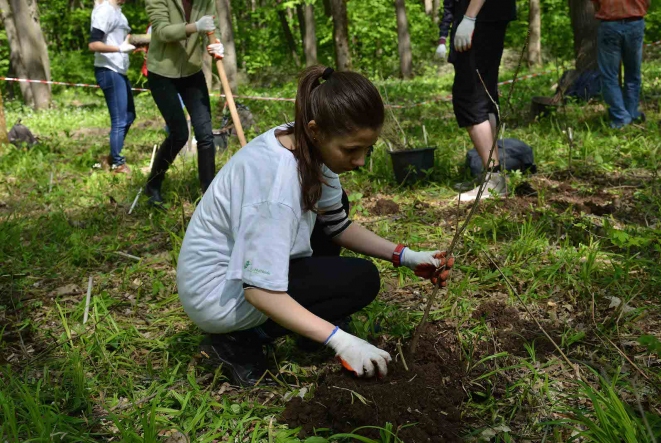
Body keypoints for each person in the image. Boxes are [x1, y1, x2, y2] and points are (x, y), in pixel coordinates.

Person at [176, 66, 455, 386]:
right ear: (315, 130)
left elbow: (336, 225)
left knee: (337, 207)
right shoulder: (277, 188)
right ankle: (238, 341)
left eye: (367, 148)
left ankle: (310, 326)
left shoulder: (305, 144)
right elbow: (259, 291)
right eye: (352, 150)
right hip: (219, 297)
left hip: (239, 276)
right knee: (360, 280)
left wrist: (407, 256)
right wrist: (341, 341)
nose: (361, 161)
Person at [144, 0, 225, 205]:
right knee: (179, 134)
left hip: (191, 71)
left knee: (205, 135)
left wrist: (217, 43)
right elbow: (162, 32)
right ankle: (153, 185)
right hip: (162, 72)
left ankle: (208, 195)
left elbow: (213, 29)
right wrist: (195, 26)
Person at [437, 0, 516, 202]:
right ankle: (492, 175)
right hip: (486, 17)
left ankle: (494, 180)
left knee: (470, 97)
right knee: (484, 93)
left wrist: (470, 16)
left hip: (480, 18)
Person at [88, 0, 136, 175]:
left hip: (119, 70)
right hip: (108, 70)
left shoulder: (118, 11)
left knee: (130, 116)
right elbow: (94, 44)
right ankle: (118, 164)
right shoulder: (105, 11)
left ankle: (111, 158)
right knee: (119, 119)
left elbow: (119, 39)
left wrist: (130, 46)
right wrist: (119, 49)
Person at [592, 0, 649, 129]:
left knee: (609, 76)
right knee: (633, 73)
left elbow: (595, 3)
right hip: (635, 22)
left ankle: (621, 117)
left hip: (610, 24)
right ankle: (631, 114)